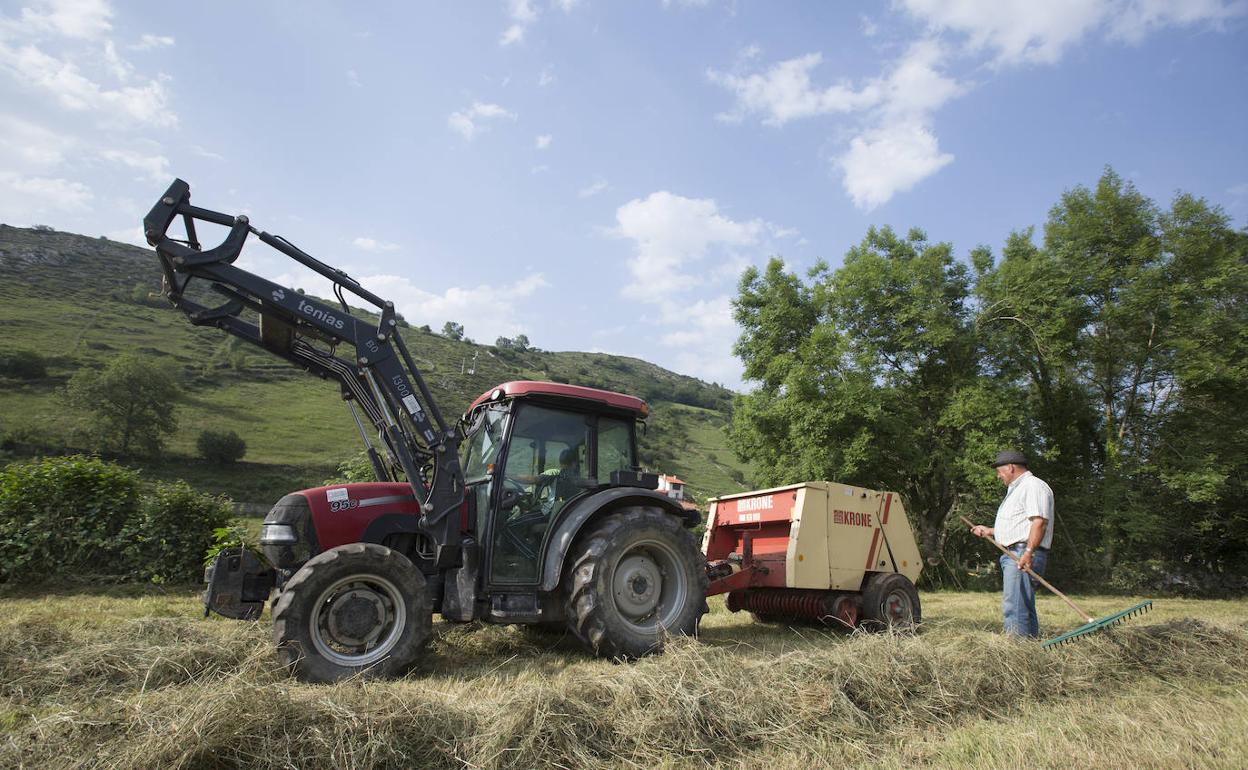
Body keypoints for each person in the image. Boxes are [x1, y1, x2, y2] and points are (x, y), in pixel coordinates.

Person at [970, 450, 1055, 638]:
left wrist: (1028, 552)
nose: (998, 476)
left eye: (999, 471)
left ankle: (1017, 650)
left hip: (1021, 553)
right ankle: (1030, 649)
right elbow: (1020, 526)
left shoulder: (1032, 486)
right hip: (1017, 552)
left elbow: (1039, 522)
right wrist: (990, 531)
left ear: (1010, 467)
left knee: (1014, 606)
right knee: (1022, 604)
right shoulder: (1018, 489)